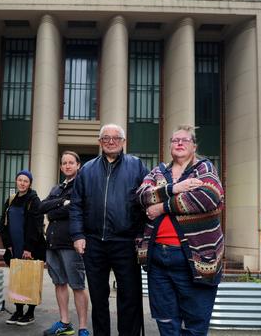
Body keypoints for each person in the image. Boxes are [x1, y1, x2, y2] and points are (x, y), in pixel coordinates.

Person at [136, 124, 225, 336]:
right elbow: (141, 195)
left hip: (195, 258)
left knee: (194, 324)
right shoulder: (159, 171)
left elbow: (208, 197)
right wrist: (174, 189)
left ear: (194, 146)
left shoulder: (204, 169)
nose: (179, 143)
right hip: (158, 256)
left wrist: (162, 207)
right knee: (166, 321)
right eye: (175, 140)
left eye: (184, 140)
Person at [69, 123, 148, 336]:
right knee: (98, 296)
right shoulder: (86, 169)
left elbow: (146, 203)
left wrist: (142, 236)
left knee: (129, 297)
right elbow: (76, 204)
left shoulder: (137, 166)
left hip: (126, 242)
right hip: (94, 243)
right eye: (106, 137)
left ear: (123, 142)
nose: (111, 141)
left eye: (116, 137)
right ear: (100, 142)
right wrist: (77, 234)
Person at [39, 151, 90, 336]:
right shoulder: (57, 188)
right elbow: (42, 208)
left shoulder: (82, 186)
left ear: (78, 165)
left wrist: (55, 208)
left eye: (71, 162)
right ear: (60, 167)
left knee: (77, 285)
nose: (67, 165)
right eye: (64, 163)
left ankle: (83, 328)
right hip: (52, 242)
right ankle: (65, 323)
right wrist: (62, 203)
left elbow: (77, 209)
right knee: (59, 283)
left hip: (71, 244)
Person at [0, 169, 45, 326]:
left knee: (30, 279)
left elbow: (36, 227)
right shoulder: (11, 200)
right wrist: (8, 245)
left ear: (30, 183)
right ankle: (18, 311)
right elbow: (2, 224)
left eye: (26, 181)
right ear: (16, 181)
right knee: (17, 279)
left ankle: (30, 313)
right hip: (14, 247)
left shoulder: (34, 200)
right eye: (20, 180)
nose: (22, 183)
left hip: (30, 247)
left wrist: (28, 248)